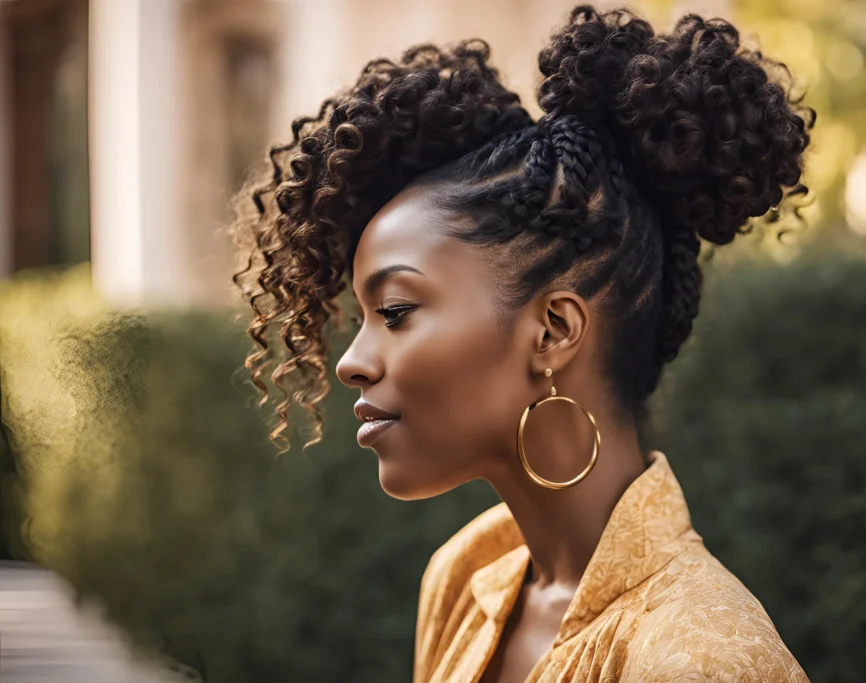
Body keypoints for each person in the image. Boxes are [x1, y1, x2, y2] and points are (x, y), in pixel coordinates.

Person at [233, 5, 813, 681]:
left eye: (394, 310)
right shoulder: (466, 577)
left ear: (554, 331)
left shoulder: (704, 658)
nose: (351, 362)